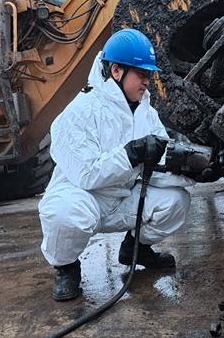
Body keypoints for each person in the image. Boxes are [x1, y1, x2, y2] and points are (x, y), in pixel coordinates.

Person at [38, 29, 195, 302]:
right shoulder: (80, 112)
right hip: (85, 198)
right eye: (141, 74)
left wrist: (187, 165)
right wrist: (131, 154)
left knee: (176, 199)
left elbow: (158, 165)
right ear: (116, 71)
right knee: (64, 215)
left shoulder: (146, 112)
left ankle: (135, 249)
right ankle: (66, 268)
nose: (147, 81)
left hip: (122, 199)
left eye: (149, 75)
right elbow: (87, 174)